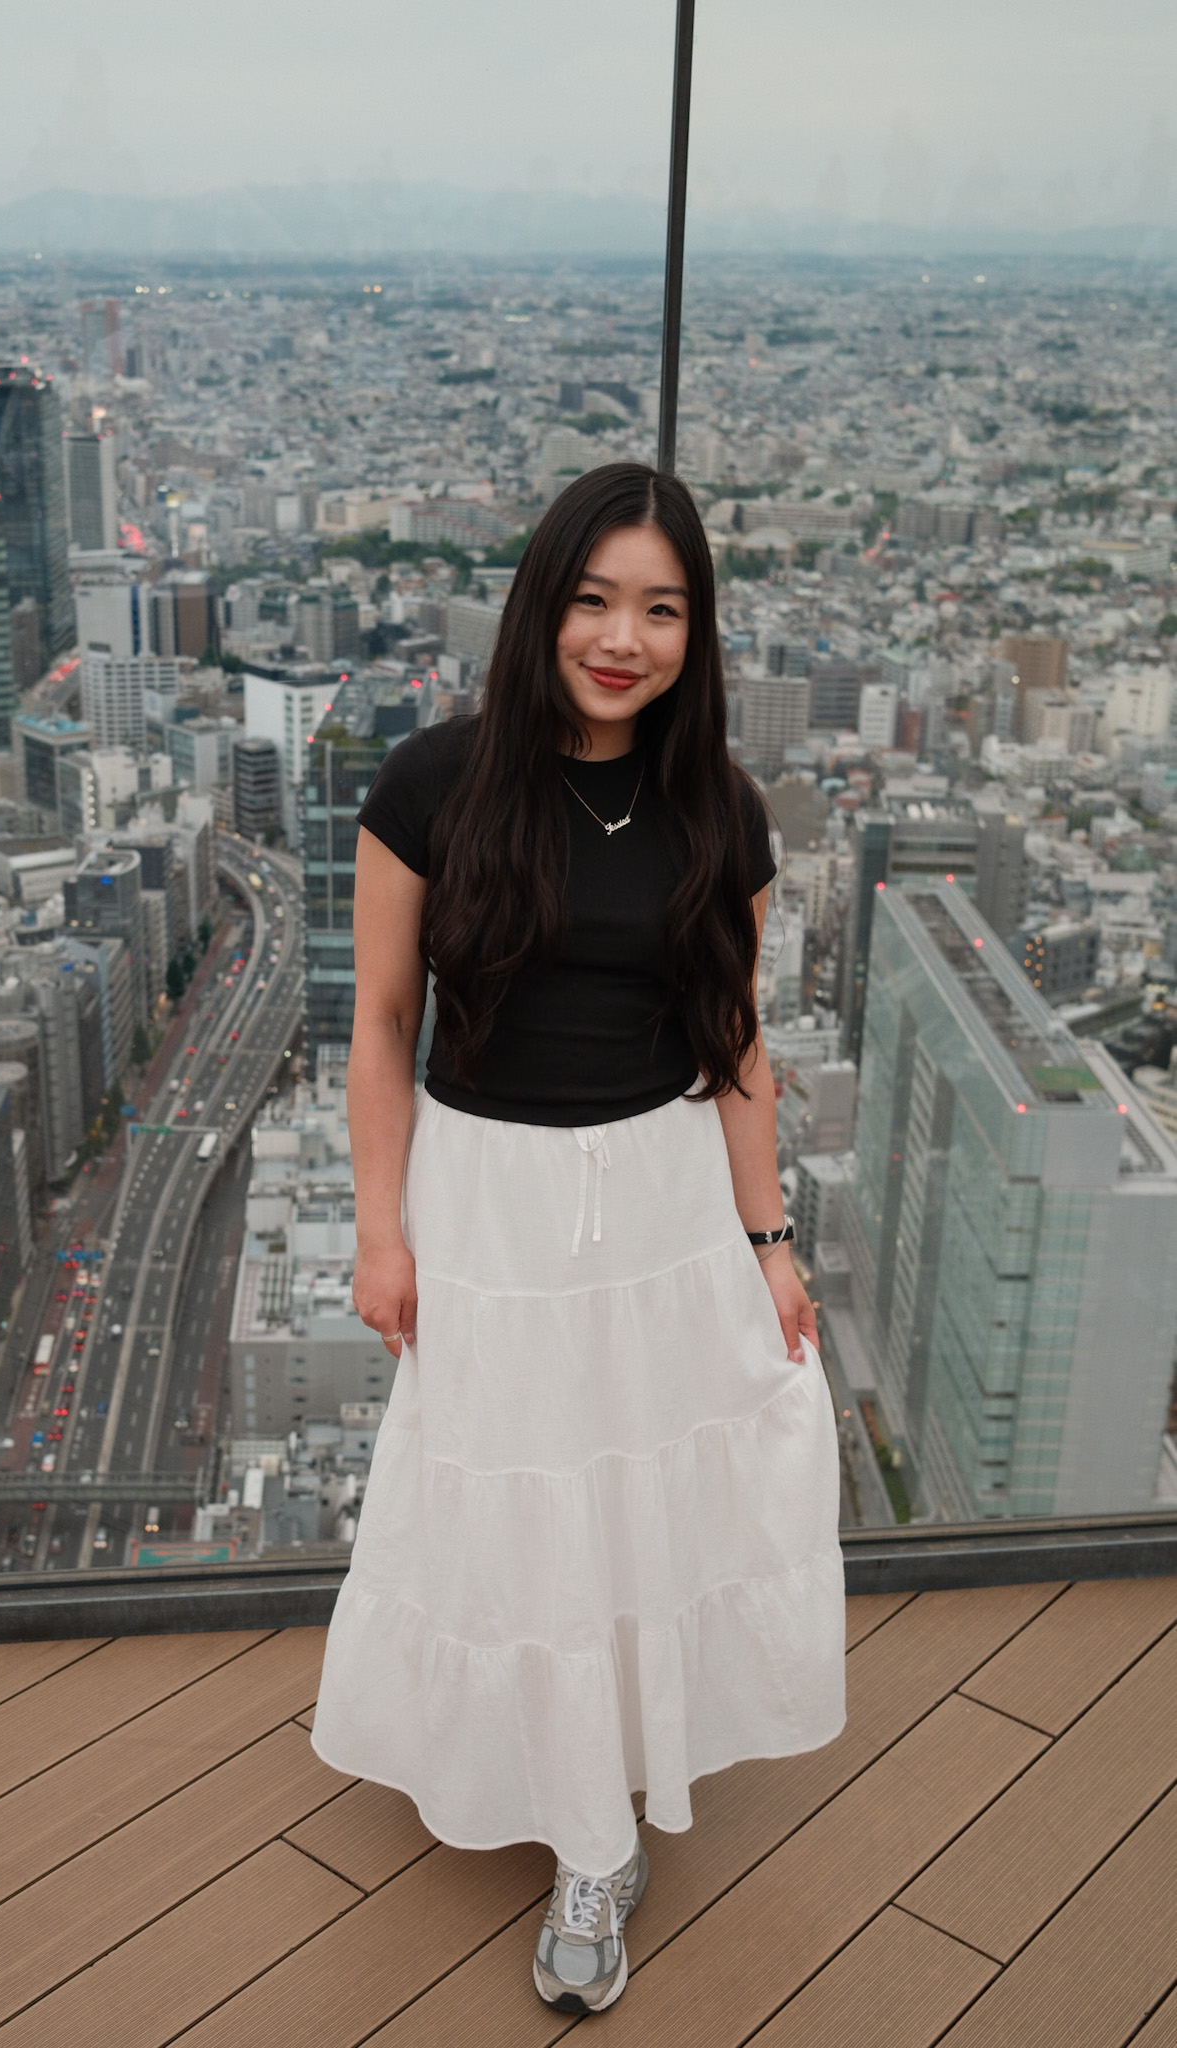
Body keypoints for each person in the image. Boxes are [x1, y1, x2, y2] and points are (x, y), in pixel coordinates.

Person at [310, 462, 846, 2017]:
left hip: (664, 1195)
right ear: (544, 601)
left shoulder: (715, 809)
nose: (626, 637)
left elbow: (735, 1038)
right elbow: (383, 1024)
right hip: (488, 1197)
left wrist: (769, 1238)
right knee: (516, 1490)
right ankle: (554, 1796)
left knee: (642, 1484)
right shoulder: (431, 784)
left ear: (699, 633)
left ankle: (599, 1845)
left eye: (663, 609)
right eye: (598, 598)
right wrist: (380, 1229)